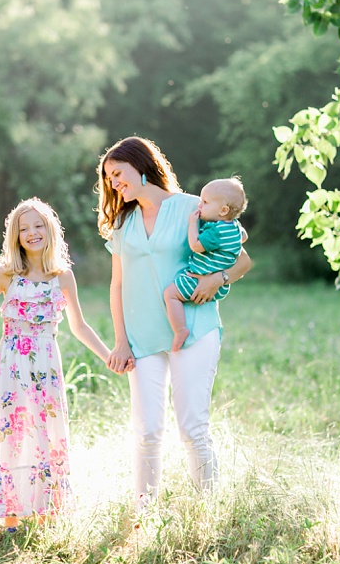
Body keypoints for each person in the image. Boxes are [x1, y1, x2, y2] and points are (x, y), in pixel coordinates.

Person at [95, 136, 253, 509]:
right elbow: (117, 285)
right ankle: (143, 512)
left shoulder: (191, 208)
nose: (114, 183)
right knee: (147, 431)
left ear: (142, 166)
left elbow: (241, 259)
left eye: (118, 173)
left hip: (194, 330)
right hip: (142, 336)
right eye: (109, 179)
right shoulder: (123, 222)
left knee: (192, 428)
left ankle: (206, 513)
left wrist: (219, 279)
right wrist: (120, 341)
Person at [0, 198, 113, 531]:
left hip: (47, 366)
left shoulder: (62, 276)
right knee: (13, 432)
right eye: (24, 228)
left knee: (48, 433)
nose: (32, 232)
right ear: (16, 235)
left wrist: (108, 355)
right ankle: (12, 515)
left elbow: (79, 327)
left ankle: (48, 513)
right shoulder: (7, 274)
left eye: (38, 225)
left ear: (50, 229)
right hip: (12, 365)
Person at [164, 177, 247, 352]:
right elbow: (244, 238)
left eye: (205, 202)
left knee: (170, 294)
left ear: (223, 210)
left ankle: (180, 330)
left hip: (198, 280)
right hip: (220, 286)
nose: (199, 205)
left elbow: (195, 245)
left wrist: (192, 223)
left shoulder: (215, 232)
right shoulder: (235, 227)